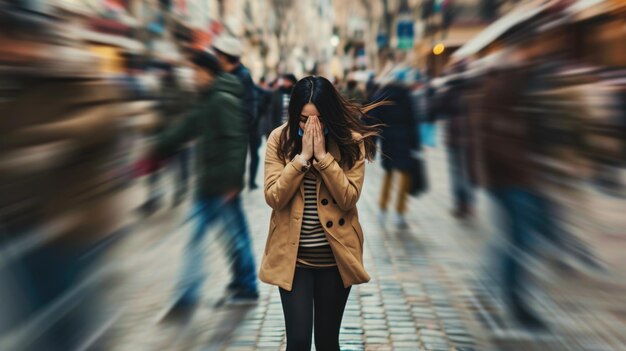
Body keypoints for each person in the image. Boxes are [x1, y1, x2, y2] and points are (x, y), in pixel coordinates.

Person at [260, 76, 382, 351]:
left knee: (327, 342)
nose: (312, 126)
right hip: (294, 259)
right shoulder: (279, 140)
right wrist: (302, 160)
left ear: (331, 116)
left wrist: (324, 159)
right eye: (304, 120)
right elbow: (274, 197)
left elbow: (349, 198)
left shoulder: (351, 143)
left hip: (335, 259)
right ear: (294, 116)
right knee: (299, 342)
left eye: (320, 119)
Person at [154, 51, 258, 315]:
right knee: (201, 237)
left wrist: (234, 182)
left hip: (222, 185)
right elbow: (186, 128)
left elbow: (236, 140)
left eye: (195, 72)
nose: (191, 77)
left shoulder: (221, 100)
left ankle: (246, 287)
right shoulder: (206, 100)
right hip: (207, 184)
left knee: (235, 238)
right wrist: (157, 150)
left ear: (208, 73)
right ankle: (188, 296)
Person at [369, 73, 420, 228]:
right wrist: (415, 145)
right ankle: (400, 213)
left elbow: (373, 122)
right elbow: (413, 121)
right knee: (405, 176)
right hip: (404, 141)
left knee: (388, 175)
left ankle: (382, 209)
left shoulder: (381, 96)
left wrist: (372, 145)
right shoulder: (406, 96)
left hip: (388, 141)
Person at [212, 35, 259, 190]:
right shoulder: (219, 75)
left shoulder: (243, 77)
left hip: (233, 140)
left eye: (218, 55)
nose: (216, 58)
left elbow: (250, 109)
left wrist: (236, 127)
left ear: (225, 57)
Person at [267, 73, 298, 138]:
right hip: (278, 126)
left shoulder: (296, 93)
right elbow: (271, 111)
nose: (286, 83)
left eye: (288, 81)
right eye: (285, 81)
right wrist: (271, 128)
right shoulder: (277, 93)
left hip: (292, 128)